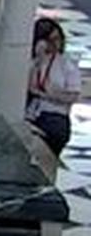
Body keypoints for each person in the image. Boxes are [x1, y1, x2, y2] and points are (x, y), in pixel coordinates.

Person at [27, 17, 81, 156]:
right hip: (33, 114)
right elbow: (29, 85)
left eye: (58, 39)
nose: (55, 45)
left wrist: (48, 94)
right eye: (51, 41)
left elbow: (73, 95)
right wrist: (38, 61)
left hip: (55, 118)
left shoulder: (66, 64)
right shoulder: (34, 61)